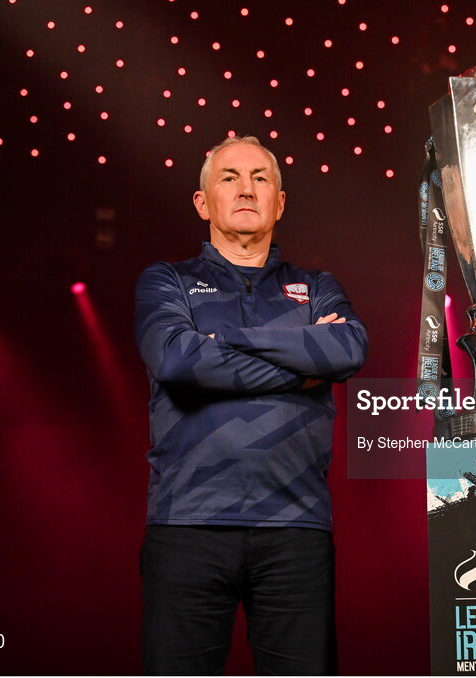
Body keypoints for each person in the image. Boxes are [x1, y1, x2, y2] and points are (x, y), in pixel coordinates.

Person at [134, 135, 368, 675]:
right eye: (229, 177)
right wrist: (303, 366)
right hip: (187, 525)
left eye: (261, 178)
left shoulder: (316, 286)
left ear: (279, 203)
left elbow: (349, 347)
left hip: (296, 528)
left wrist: (222, 343)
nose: (246, 189)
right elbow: (175, 361)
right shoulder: (165, 280)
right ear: (202, 202)